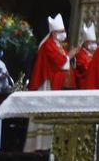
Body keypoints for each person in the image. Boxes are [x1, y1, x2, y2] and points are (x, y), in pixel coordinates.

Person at [26, 15, 70, 152]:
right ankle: (39, 144)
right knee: (44, 112)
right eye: (60, 31)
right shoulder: (48, 45)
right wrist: (71, 55)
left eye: (64, 31)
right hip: (46, 84)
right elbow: (61, 62)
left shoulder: (58, 45)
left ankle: (48, 144)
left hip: (53, 83)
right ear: (53, 32)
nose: (63, 34)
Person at [71, 23, 98, 89]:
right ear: (85, 43)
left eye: (94, 42)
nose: (94, 44)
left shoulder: (94, 54)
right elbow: (85, 68)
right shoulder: (80, 54)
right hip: (84, 84)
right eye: (91, 42)